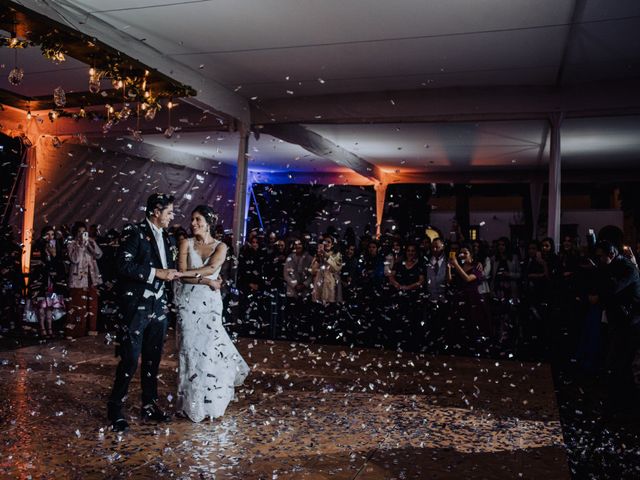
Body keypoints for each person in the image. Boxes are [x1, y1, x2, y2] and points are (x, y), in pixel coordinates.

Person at [107, 193, 181, 432]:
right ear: (156, 212)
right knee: (130, 359)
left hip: (158, 306)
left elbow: (171, 268)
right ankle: (115, 409)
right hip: (135, 307)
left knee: (153, 358)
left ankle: (149, 405)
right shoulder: (134, 232)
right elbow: (122, 265)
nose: (172, 216)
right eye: (169, 212)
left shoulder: (167, 237)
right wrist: (155, 273)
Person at [175, 205, 249, 422]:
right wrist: (207, 281)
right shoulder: (185, 243)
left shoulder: (221, 247)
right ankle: (188, 404)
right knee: (189, 351)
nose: (193, 224)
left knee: (208, 350)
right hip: (188, 303)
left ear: (209, 222)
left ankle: (209, 403)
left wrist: (199, 276)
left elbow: (211, 267)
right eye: (192, 220)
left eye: (198, 219)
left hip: (210, 305)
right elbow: (181, 274)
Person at [67, 221, 103, 338]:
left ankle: (92, 330)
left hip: (92, 279)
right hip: (78, 280)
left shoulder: (91, 242)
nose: (82, 234)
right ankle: (78, 332)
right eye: (79, 232)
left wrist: (90, 244)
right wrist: (81, 246)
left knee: (92, 306)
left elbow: (99, 255)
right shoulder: (72, 244)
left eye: (84, 232)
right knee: (79, 306)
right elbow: (75, 259)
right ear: (75, 233)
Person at [31, 226, 66, 338]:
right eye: (48, 234)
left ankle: (50, 328)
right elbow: (35, 262)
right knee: (41, 305)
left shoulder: (56, 247)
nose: (50, 237)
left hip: (52, 280)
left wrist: (54, 254)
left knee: (50, 306)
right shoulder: (38, 246)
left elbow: (59, 263)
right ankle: (42, 327)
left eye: (52, 234)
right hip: (41, 280)